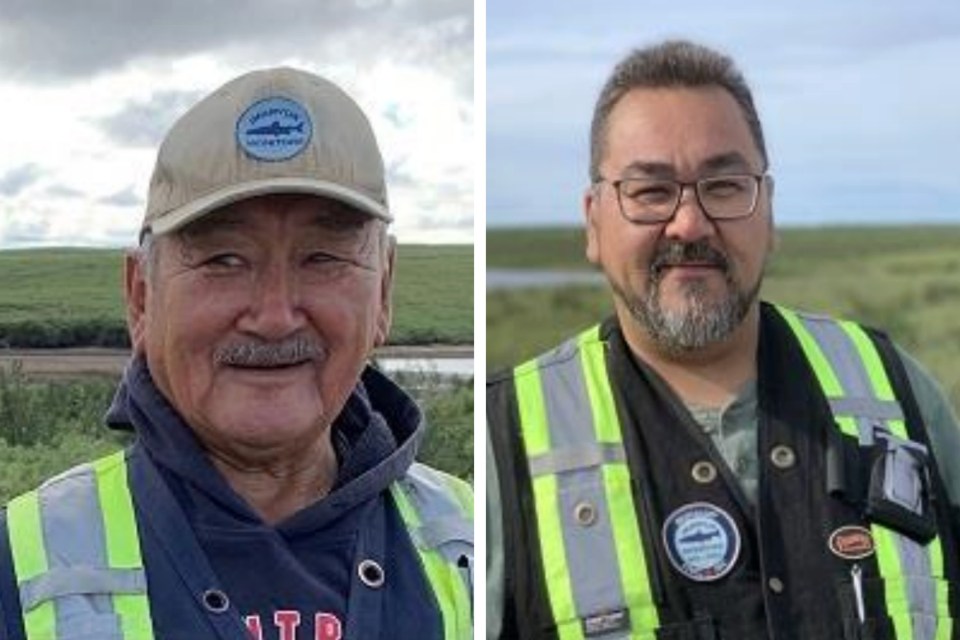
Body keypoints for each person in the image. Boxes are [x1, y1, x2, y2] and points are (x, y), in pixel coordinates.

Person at [487, 40, 960, 639]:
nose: (689, 222)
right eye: (650, 191)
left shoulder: (900, 393)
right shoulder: (502, 442)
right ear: (593, 222)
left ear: (769, 212)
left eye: (725, 185)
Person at [0, 67, 473, 640]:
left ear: (384, 293)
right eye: (223, 259)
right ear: (141, 297)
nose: (274, 315)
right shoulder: (20, 565)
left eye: (323, 257)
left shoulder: (475, 539)